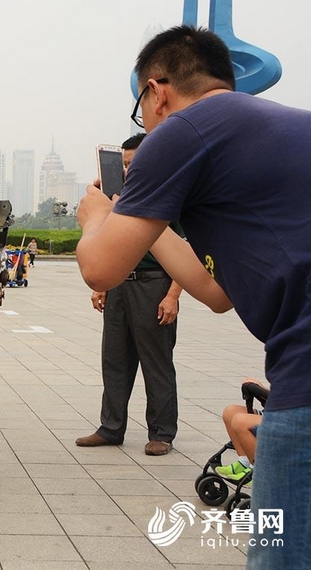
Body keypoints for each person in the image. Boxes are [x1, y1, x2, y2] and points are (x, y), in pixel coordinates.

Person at [75, 25, 311, 568]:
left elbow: (99, 269)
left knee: (281, 557)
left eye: (143, 108)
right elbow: (219, 292)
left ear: (157, 91)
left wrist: (97, 219)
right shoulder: (275, 129)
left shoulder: (183, 129)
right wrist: (143, 214)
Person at [76, 133, 184, 457]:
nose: (128, 170)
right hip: (120, 284)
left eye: (134, 164)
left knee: (157, 362)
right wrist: (103, 284)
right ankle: (111, 428)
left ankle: (162, 433)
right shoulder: (118, 200)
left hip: (155, 285)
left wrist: (173, 295)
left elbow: (187, 251)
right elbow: (110, 245)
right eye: (124, 165)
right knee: (114, 360)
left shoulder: (169, 195)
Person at [216, 379, 265, 482]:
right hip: (274, 412)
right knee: (230, 411)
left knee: (240, 421)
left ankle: (259, 473)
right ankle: (244, 461)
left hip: (291, 421)